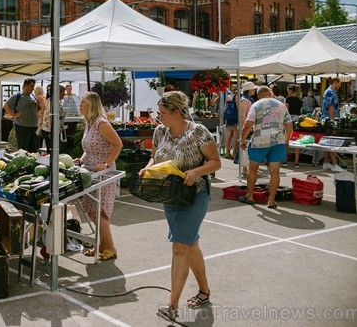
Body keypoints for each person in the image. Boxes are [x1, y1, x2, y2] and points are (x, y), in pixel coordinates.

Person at [139, 91, 221, 323]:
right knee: (190, 243)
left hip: (194, 195)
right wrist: (147, 168)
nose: (159, 117)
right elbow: (155, 158)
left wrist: (196, 171)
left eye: (163, 113)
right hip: (170, 196)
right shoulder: (160, 132)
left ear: (176, 112)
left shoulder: (198, 132)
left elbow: (216, 162)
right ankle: (204, 291)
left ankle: (172, 306)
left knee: (180, 247)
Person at [77, 91, 123, 262]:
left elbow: (118, 144)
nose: (80, 105)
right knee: (92, 210)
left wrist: (106, 163)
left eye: (82, 102)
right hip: (90, 171)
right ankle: (101, 246)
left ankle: (110, 247)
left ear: (91, 104)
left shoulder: (101, 123)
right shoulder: (88, 123)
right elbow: (88, 147)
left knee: (100, 211)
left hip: (103, 173)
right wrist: (82, 158)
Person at [239, 86, 293, 208]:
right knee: (275, 172)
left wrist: (242, 139)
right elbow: (289, 126)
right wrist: (286, 140)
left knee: (253, 169)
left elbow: (248, 125)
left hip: (260, 141)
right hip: (278, 141)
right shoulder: (281, 105)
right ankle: (271, 200)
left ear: (258, 95)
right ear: (270, 93)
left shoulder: (256, 105)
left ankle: (250, 196)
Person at [3, 78, 40, 153]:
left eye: (33, 86)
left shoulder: (33, 96)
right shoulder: (17, 96)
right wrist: (14, 115)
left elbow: (35, 109)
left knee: (33, 150)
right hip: (22, 126)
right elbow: (6, 106)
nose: (33, 88)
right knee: (23, 150)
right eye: (31, 86)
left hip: (34, 126)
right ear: (25, 86)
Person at [321, 77, 342, 171]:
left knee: (326, 142)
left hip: (326, 119)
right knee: (332, 142)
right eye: (339, 83)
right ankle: (334, 164)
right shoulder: (331, 92)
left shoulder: (329, 91)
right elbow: (331, 108)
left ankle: (326, 162)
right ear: (335, 82)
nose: (340, 85)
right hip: (330, 120)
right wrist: (333, 121)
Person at [40, 85, 65, 152]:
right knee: (53, 152)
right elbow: (51, 117)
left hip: (49, 130)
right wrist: (52, 132)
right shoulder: (53, 102)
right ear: (58, 92)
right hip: (51, 130)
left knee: (51, 151)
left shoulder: (50, 100)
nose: (64, 94)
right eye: (63, 92)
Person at [223, 90, 239, 159]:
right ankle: (234, 153)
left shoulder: (228, 97)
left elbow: (224, 108)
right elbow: (239, 109)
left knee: (228, 136)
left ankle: (227, 153)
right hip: (235, 119)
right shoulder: (237, 97)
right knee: (235, 137)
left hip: (229, 119)